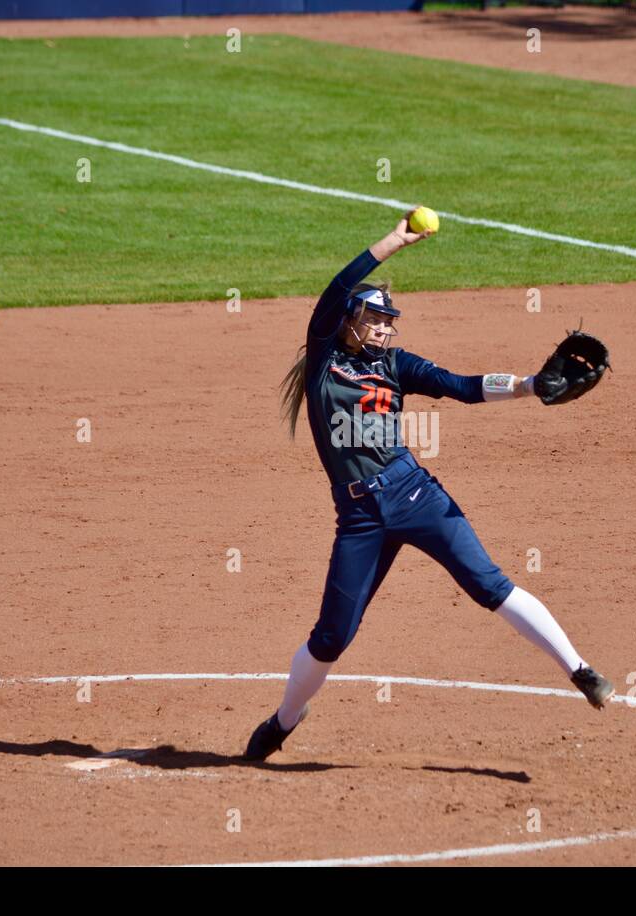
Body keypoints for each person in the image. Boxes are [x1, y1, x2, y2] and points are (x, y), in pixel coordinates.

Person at [242, 211, 615, 761]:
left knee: (489, 584)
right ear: (347, 321)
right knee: (332, 638)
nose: (386, 326)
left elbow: (461, 386)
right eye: (376, 317)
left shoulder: (395, 365)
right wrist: (395, 240)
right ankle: (283, 721)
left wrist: (531, 386)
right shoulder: (325, 357)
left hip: (414, 494)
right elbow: (338, 286)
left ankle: (581, 671)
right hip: (360, 520)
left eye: (389, 320)